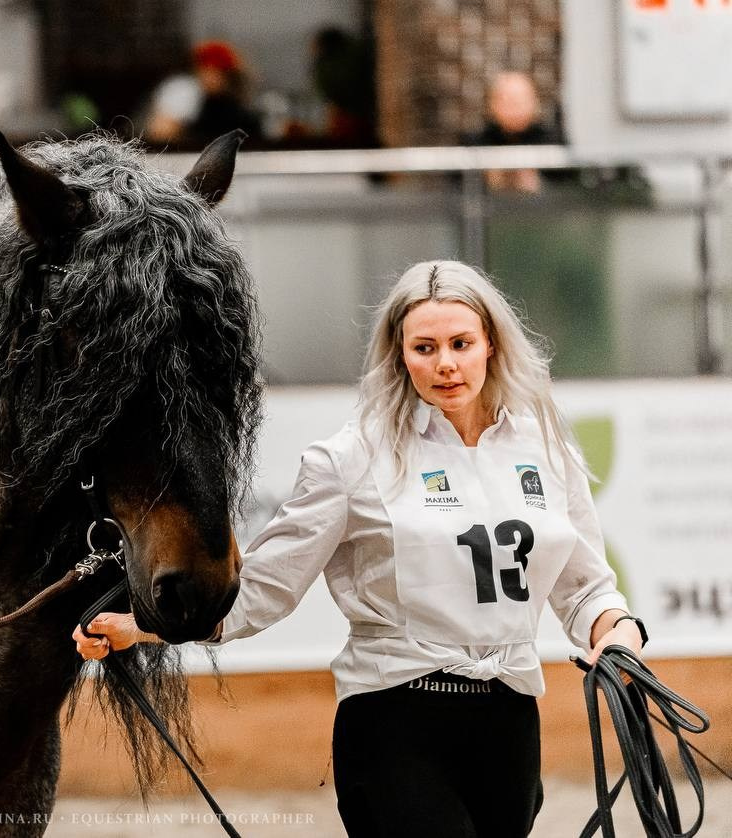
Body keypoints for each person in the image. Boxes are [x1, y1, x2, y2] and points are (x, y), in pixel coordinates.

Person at [73, 260, 645, 837]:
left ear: (490, 344)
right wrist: (146, 626)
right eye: (424, 347)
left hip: (511, 722)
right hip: (395, 722)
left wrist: (617, 631)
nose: (444, 363)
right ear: (400, 355)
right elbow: (269, 584)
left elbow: (586, 587)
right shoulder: (350, 459)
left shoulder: (547, 450)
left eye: (460, 343)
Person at [145, 40, 261, 145]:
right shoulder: (184, 90)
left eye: (220, 72)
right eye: (209, 70)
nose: (213, 77)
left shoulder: (231, 105)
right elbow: (160, 135)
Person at [464, 71, 559, 193]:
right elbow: (454, 193)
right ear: (492, 104)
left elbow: (571, 190)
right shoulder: (475, 142)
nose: (514, 107)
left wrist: (538, 184)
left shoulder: (552, 143)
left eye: (520, 100)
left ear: (534, 102)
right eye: (507, 100)